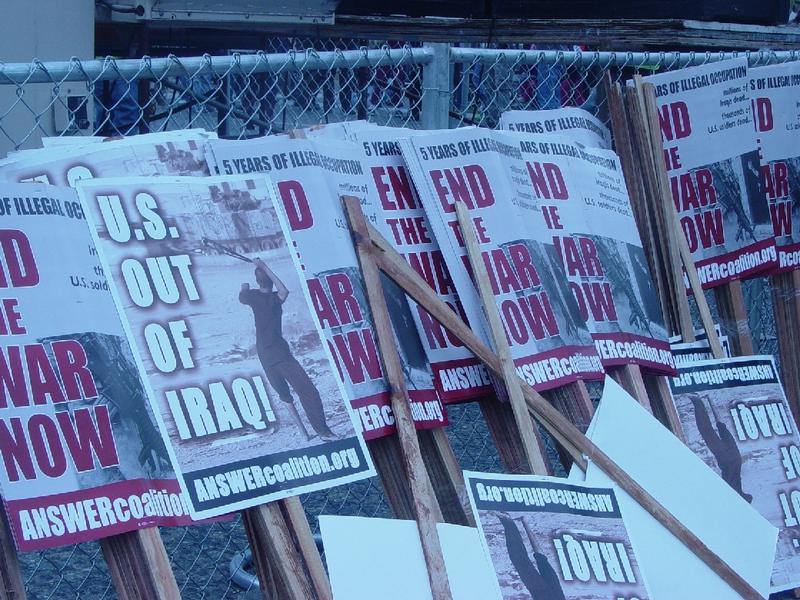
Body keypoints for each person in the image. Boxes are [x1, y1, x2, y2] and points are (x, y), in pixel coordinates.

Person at [239, 257, 335, 440]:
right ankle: (323, 432)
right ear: (270, 280)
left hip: (264, 354)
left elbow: (242, 293)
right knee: (309, 392)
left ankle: (304, 433)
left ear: (257, 281)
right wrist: (264, 266)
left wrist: (246, 285)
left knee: (284, 394)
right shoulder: (274, 299)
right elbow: (284, 290)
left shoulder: (251, 297)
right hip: (280, 354)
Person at [689, 393, 752, 503]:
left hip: (736, 458)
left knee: (720, 426)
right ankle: (698, 401)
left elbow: (749, 497)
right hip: (726, 460)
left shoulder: (735, 491)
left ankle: (705, 400)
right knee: (707, 431)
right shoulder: (732, 494)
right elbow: (747, 498)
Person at [497, 515, 566, 600]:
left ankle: (515, 521)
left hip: (552, 586)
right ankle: (508, 521)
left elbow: (539, 553)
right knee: (521, 560)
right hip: (541, 592)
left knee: (539, 557)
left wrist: (525, 523)